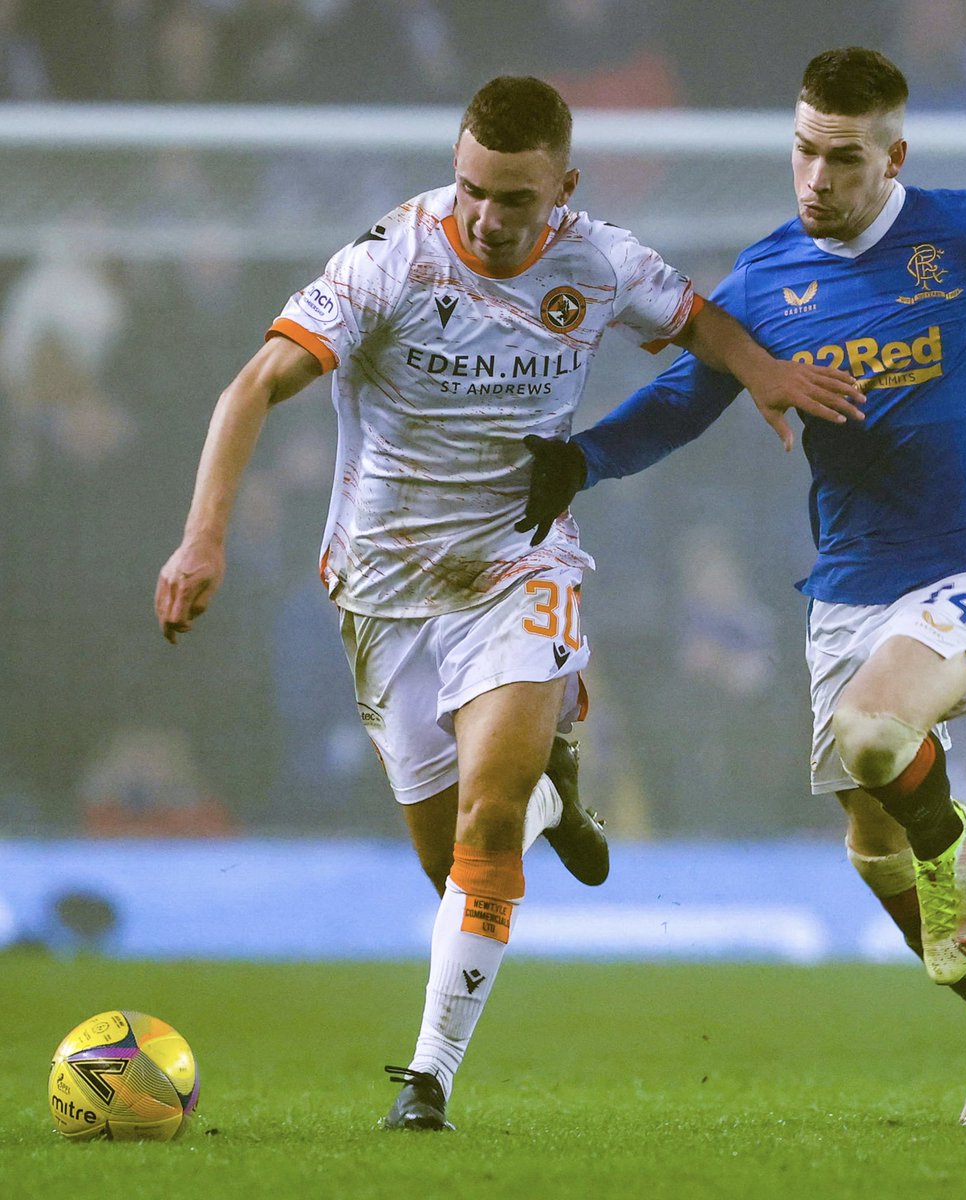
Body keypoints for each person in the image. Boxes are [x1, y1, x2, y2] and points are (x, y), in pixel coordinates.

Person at [155, 75, 861, 1132]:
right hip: (386, 592)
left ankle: (428, 1080)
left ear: (562, 190)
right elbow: (252, 385)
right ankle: (547, 796)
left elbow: (698, 320)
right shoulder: (390, 261)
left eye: (516, 198)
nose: (487, 215)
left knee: (485, 824)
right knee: (454, 867)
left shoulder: (597, 260)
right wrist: (202, 538)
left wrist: (760, 369)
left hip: (518, 563)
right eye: (473, 188)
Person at [518, 47, 966, 1126]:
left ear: (895, 158)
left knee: (878, 735)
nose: (816, 178)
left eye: (843, 158)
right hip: (848, 590)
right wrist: (581, 461)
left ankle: (952, 835)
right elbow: (682, 401)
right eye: (803, 151)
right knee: (873, 847)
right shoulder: (764, 281)